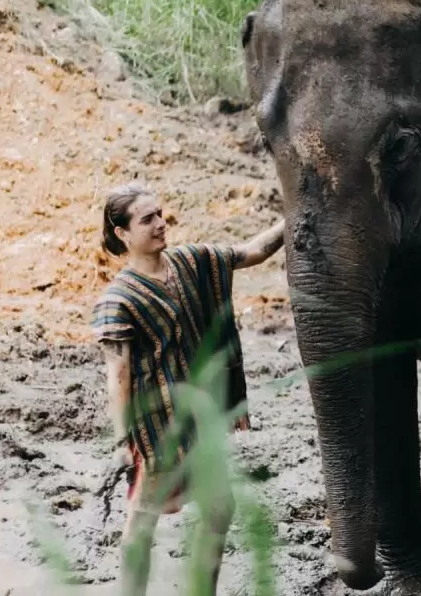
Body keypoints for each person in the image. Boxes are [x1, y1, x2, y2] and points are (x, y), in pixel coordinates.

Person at [90, 181, 285, 595]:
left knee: (219, 508)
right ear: (122, 234)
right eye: (148, 219)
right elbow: (118, 376)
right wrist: (124, 440)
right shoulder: (117, 301)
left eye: (160, 214)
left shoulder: (193, 261)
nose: (161, 224)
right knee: (142, 523)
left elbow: (253, 252)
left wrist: (296, 216)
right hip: (156, 429)